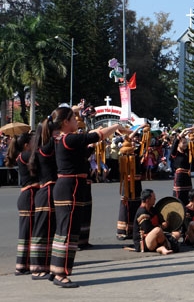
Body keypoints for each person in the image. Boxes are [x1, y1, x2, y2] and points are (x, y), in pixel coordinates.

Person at [50, 106, 129, 288]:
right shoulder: (68, 139)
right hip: (70, 187)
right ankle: (61, 273)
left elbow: (91, 136)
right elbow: (96, 135)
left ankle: (56, 269)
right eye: (73, 118)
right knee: (68, 231)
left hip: (66, 186)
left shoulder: (62, 138)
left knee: (63, 230)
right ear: (65, 122)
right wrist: (116, 126)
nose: (76, 121)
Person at [28, 120, 58, 280]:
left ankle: (43, 266)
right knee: (42, 231)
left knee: (47, 230)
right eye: (55, 131)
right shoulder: (46, 148)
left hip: (45, 191)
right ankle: (38, 268)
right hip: (46, 191)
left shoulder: (39, 147)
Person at [6, 131, 37, 276]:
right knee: (27, 232)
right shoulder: (25, 156)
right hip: (29, 196)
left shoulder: (23, 155)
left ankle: (25, 263)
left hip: (28, 196)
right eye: (32, 142)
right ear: (26, 145)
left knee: (28, 231)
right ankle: (22, 265)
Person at [133, 189, 175, 255]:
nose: (155, 199)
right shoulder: (142, 213)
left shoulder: (152, 209)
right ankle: (163, 247)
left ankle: (161, 248)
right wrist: (162, 226)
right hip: (145, 242)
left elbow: (161, 219)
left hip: (156, 238)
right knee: (158, 230)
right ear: (147, 200)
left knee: (176, 234)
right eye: (153, 198)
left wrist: (164, 223)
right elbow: (148, 230)